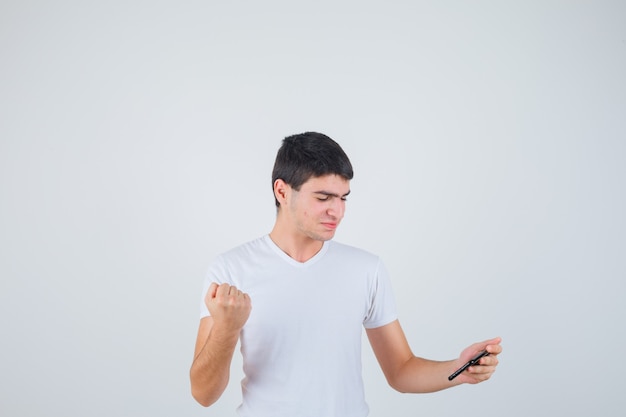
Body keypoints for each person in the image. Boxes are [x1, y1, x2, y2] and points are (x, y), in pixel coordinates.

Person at [190, 132, 502, 416]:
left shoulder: (366, 269)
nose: (337, 211)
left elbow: (401, 371)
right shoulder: (231, 269)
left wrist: (458, 369)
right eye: (323, 198)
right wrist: (227, 329)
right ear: (282, 192)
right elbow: (203, 394)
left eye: (343, 198)